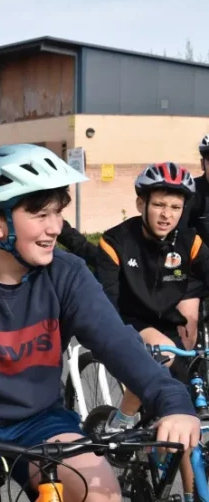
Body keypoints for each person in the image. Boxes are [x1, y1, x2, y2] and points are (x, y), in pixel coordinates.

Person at [0, 144, 200, 502]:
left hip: (41, 422)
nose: (55, 228)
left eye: (57, 213)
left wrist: (174, 403)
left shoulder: (68, 275)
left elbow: (120, 345)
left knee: (103, 493)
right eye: (40, 215)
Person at [97, 162, 205, 501]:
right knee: (164, 355)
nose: (166, 214)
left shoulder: (189, 241)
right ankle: (123, 417)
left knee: (186, 416)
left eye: (175, 207)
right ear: (142, 203)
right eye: (159, 204)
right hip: (127, 321)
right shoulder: (115, 240)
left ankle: (191, 494)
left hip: (167, 323)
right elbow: (106, 307)